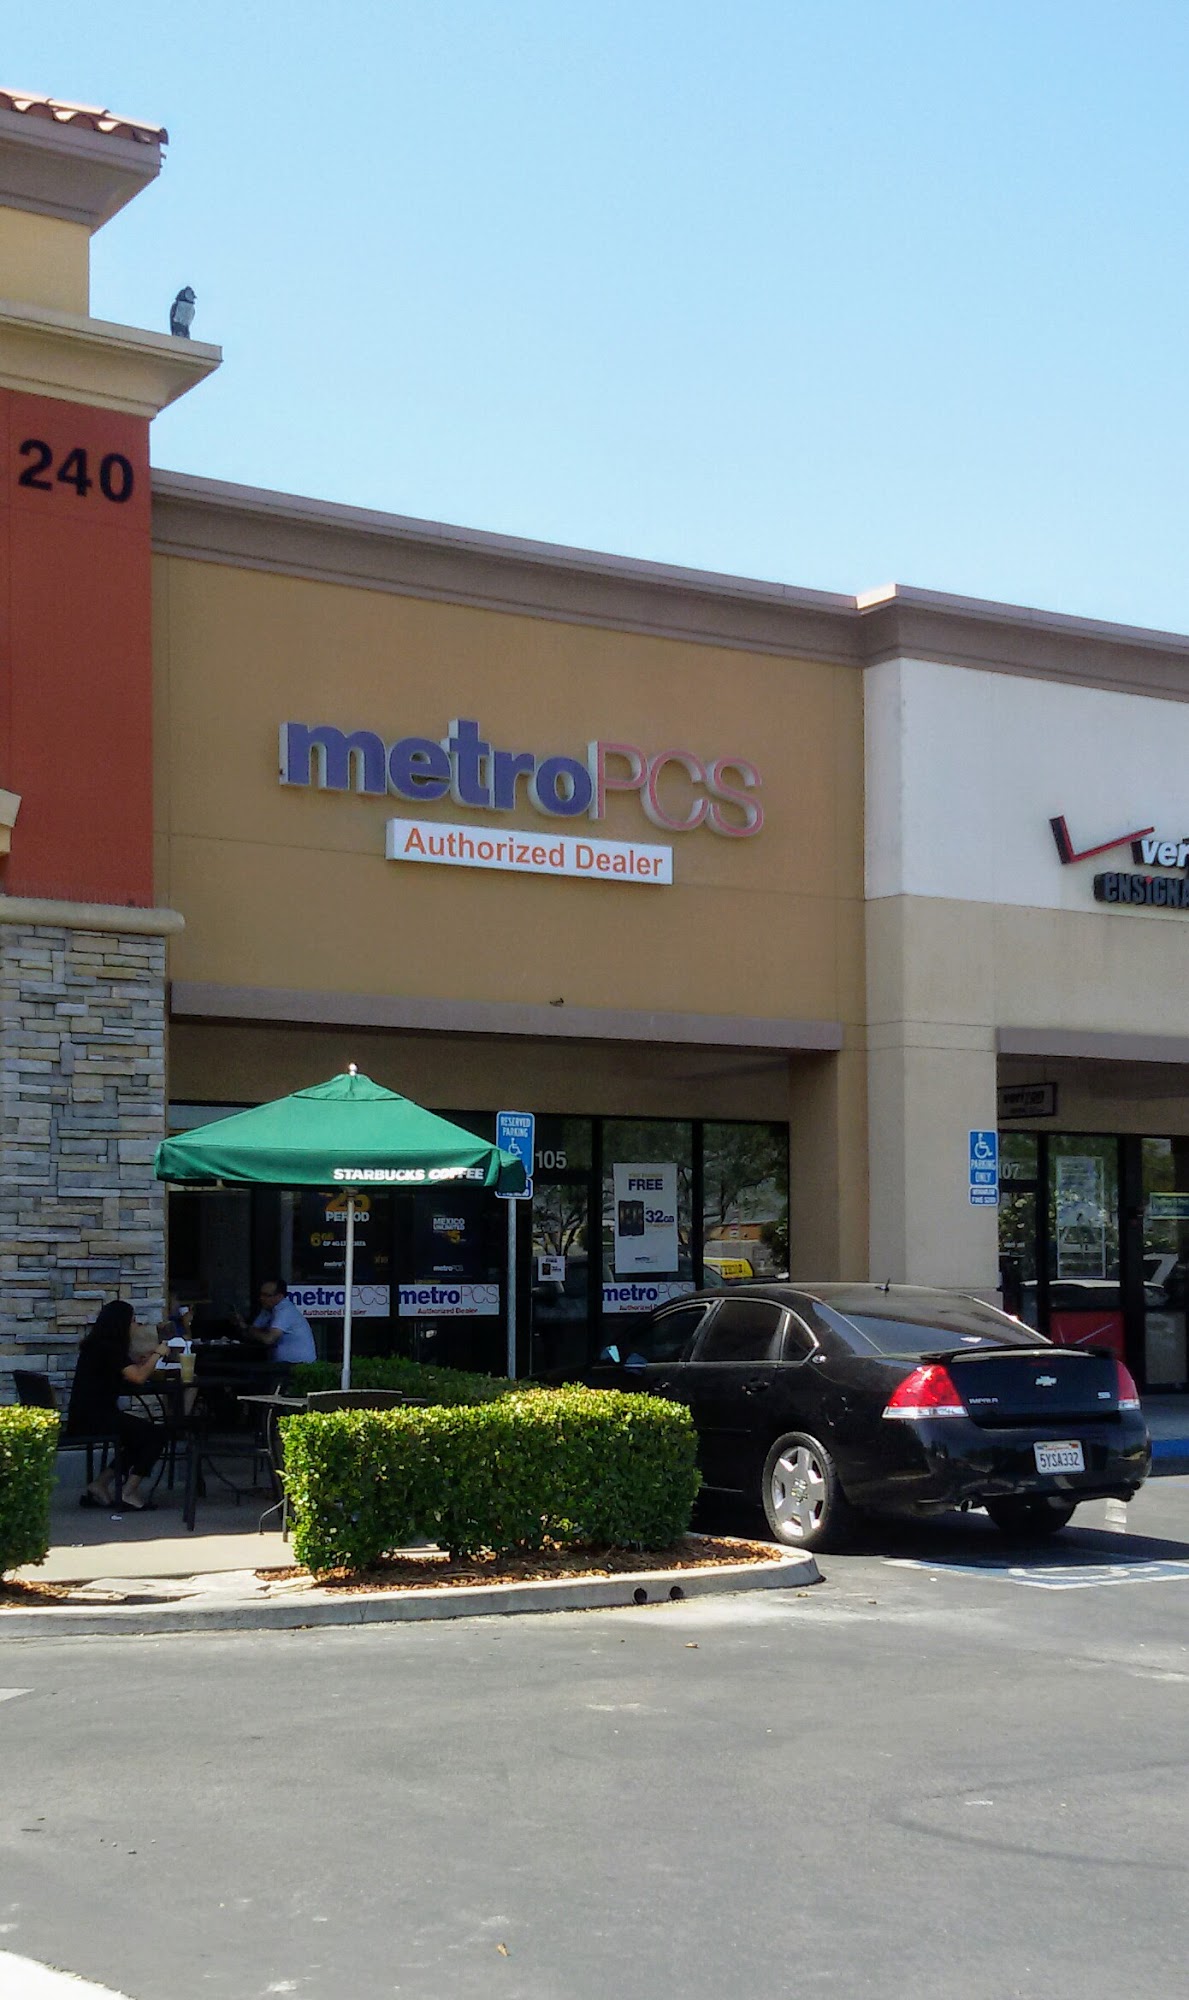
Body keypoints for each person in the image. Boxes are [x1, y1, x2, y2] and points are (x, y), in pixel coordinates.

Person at [66, 1300, 168, 1510]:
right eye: (133, 1320)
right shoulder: (109, 1348)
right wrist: (158, 1354)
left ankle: (100, 1484)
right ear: (121, 1323)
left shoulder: (98, 1345)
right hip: (95, 1418)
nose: (136, 1325)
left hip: (85, 1416)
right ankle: (128, 1493)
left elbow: (124, 1372)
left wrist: (141, 1361)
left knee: (139, 1436)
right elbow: (138, 1377)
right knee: (156, 1435)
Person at [244, 1278, 317, 1366]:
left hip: (298, 1366)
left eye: (266, 1295)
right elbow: (252, 1332)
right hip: (280, 1364)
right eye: (261, 1294)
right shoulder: (267, 1309)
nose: (261, 1298)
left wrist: (249, 1329)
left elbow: (269, 1339)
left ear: (279, 1296)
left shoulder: (284, 1310)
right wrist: (242, 1325)